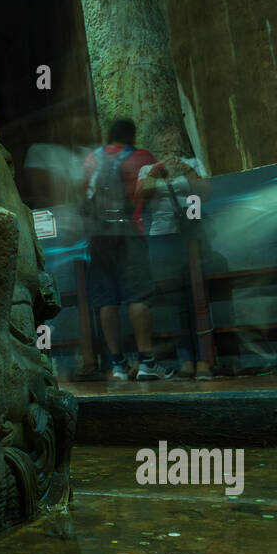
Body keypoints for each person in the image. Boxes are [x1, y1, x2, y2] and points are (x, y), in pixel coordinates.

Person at [81, 118, 166, 381]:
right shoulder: (141, 157)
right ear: (132, 135)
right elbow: (149, 194)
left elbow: (83, 195)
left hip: (98, 238)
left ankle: (116, 364)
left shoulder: (91, 159)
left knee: (107, 300)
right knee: (137, 296)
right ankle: (146, 362)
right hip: (130, 233)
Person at [137, 125, 213, 379]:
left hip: (191, 236)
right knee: (174, 301)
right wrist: (157, 173)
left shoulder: (192, 162)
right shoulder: (147, 170)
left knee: (199, 297)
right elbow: (139, 199)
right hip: (161, 238)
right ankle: (186, 361)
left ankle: (204, 360)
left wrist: (186, 169)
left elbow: (206, 193)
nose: (168, 143)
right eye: (163, 139)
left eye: (171, 138)